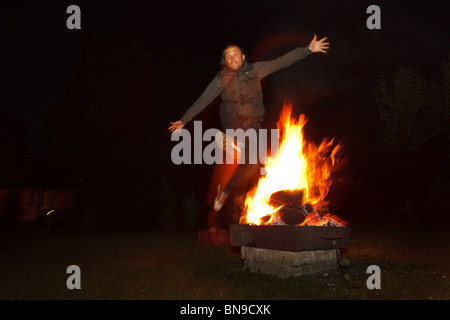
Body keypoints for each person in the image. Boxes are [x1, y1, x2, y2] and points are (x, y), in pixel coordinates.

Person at [168, 34, 330, 213]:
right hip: (232, 121)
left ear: (243, 57)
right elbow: (204, 98)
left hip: (253, 126)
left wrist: (307, 50)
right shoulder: (221, 79)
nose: (232, 58)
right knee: (228, 106)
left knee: (252, 165)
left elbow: (281, 61)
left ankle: (225, 191)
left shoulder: (256, 70)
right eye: (228, 56)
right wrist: (185, 119)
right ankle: (231, 139)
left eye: (235, 54)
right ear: (225, 61)